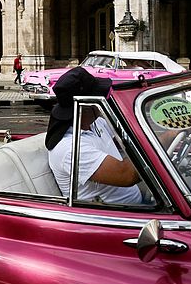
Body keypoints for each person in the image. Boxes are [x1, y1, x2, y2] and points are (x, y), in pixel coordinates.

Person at [45, 67, 143, 204]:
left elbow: (122, 142)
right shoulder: (70, 148)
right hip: (114, 217)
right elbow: (127, 175)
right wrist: (166, 139)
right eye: (99, 96)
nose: (104, 99)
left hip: (136, 203)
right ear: (86, 105)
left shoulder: (97, 123)